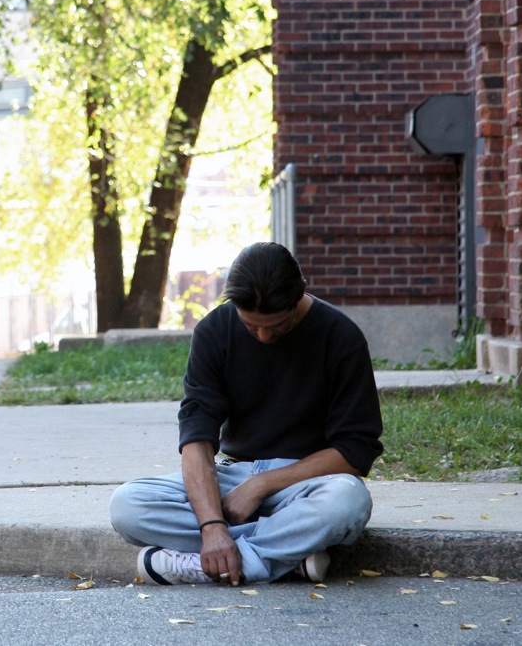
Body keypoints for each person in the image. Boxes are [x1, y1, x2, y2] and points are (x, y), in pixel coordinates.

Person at [109, 242, 383, 586]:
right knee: (128, 505)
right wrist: (212, 526)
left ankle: (209, 565)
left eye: (277, 325)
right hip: (233, 475)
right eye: (252, 327)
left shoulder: (340, 336)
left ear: (300, 294)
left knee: (347, 501)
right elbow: (197, 438)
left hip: (305, 483)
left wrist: (261, 484)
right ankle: (286, 555)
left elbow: (356, 450)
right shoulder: (214, 331)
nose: (264, 336)